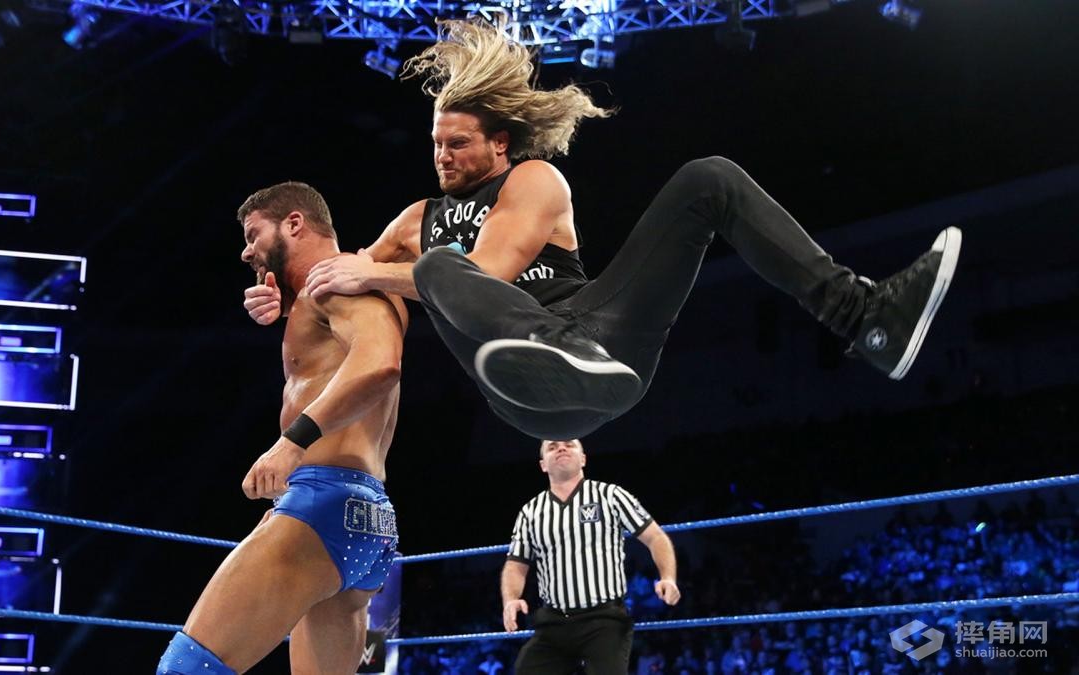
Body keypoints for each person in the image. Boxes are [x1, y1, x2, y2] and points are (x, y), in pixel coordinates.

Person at [244, 20, 962, 440]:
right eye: (436, 144)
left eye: (457, 143)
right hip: (518, 388)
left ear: (500, 143)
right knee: (431, 267)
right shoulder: (413, 221)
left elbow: (485, 271)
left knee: (708, 178)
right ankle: (552, 356)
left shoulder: (534, 180)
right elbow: (349, 283)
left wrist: (376, 270)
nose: (442, 156)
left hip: (603, 343)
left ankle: (864, 317)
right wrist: (294, 294)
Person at [157, 182, 408, 674]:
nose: (246, 251)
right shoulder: (352, 286)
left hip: (322, 506)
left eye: (254, 234)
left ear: (294, 224)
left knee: (185, 670)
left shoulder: (331, 283)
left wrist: (291, 445)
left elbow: (381, 364)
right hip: (370, 517)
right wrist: (290, 307)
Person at [500, 439, 681, 673]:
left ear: (583, 459)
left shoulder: (610, 495)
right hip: (553, 622)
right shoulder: (530, 512)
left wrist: (668, 577)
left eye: (569, 444)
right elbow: (516, 564)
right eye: (552, 447)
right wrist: (511, 599)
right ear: (543, 465)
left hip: (604, 620)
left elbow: (655, 537)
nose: (561, 448)